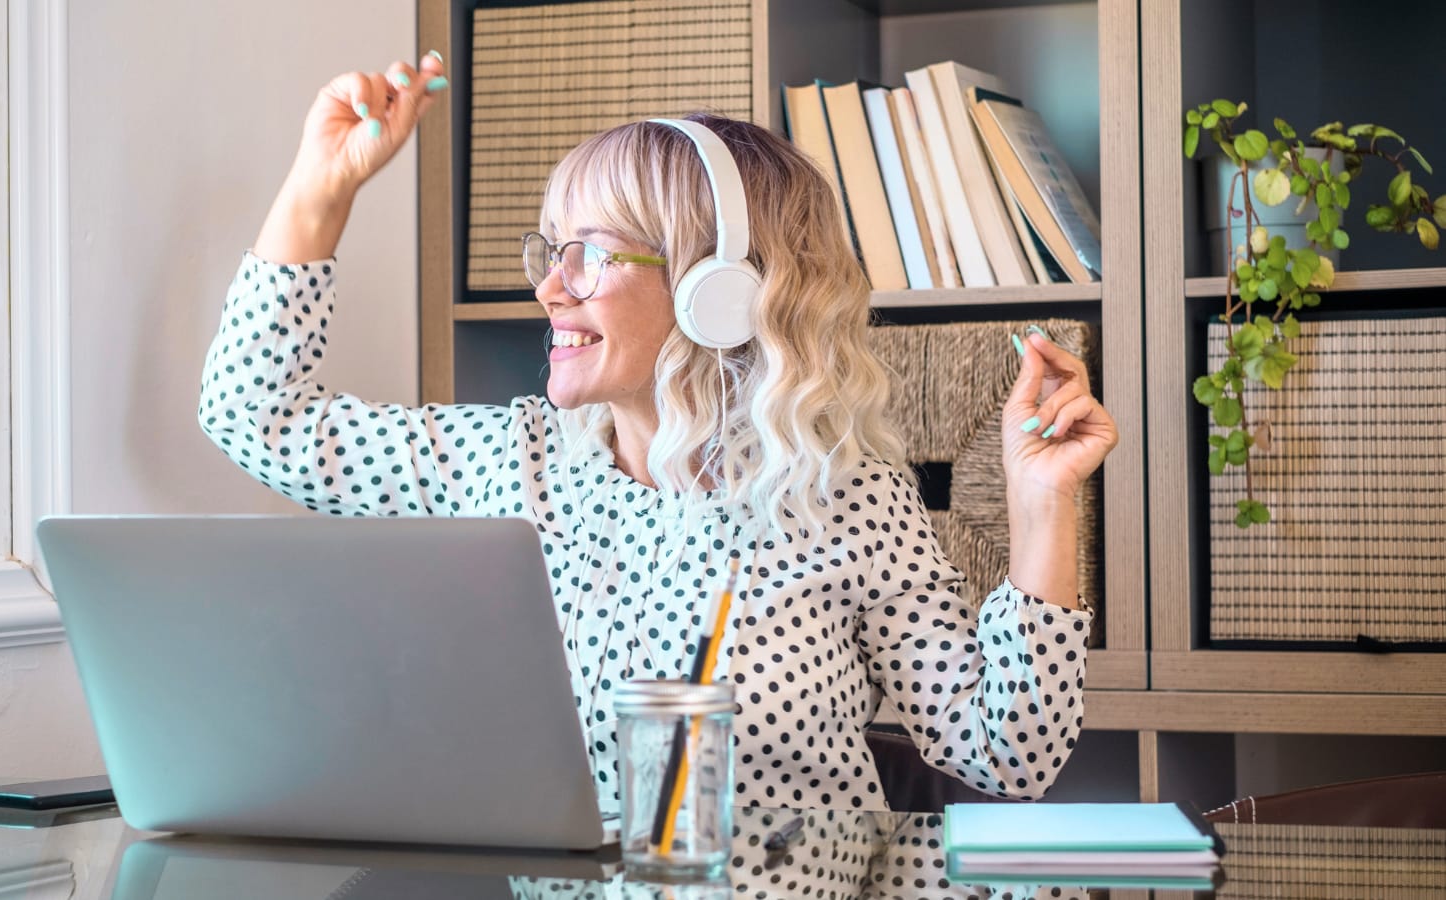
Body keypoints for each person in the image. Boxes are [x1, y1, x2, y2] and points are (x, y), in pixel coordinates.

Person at [199, 52, 1118, 812]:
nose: (550, 288)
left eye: (590, 254)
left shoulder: (850, 500)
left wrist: (1043, 505)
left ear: (717, 288)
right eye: (550, 252)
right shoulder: (504, 461)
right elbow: (254, 413)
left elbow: (1006, 755)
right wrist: (322, 190)